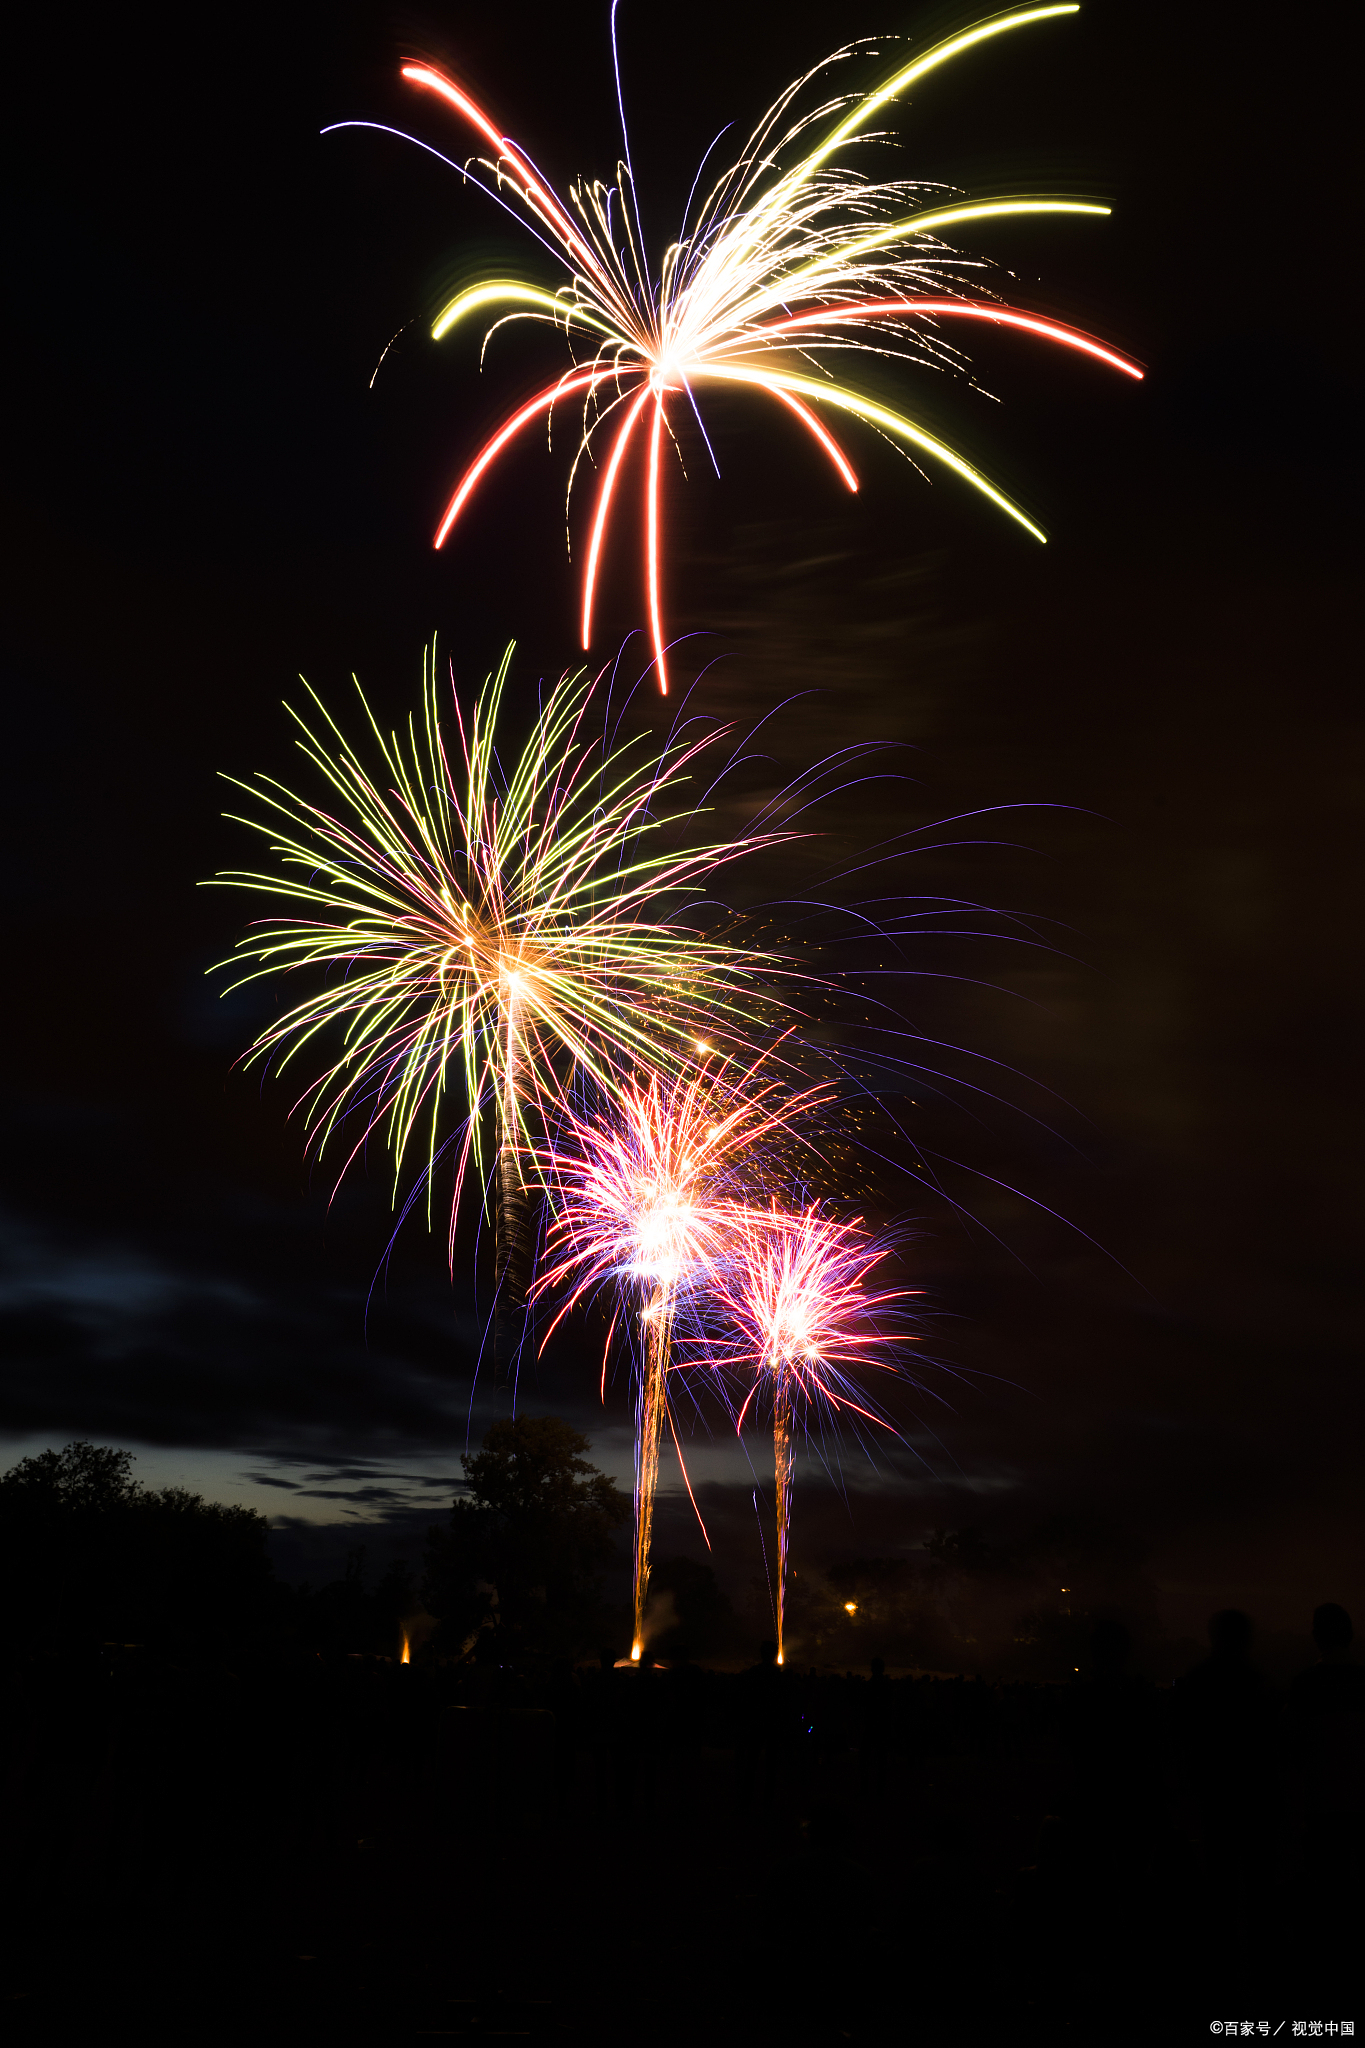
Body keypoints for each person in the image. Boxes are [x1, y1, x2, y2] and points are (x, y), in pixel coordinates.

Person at [1287, 1603, 1365, 1900]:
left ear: (1316, 1636)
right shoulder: (1363, 1682)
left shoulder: (1305, 1685)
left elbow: (1289, 1746)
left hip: (1322, 1802)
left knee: (1330, 1889)